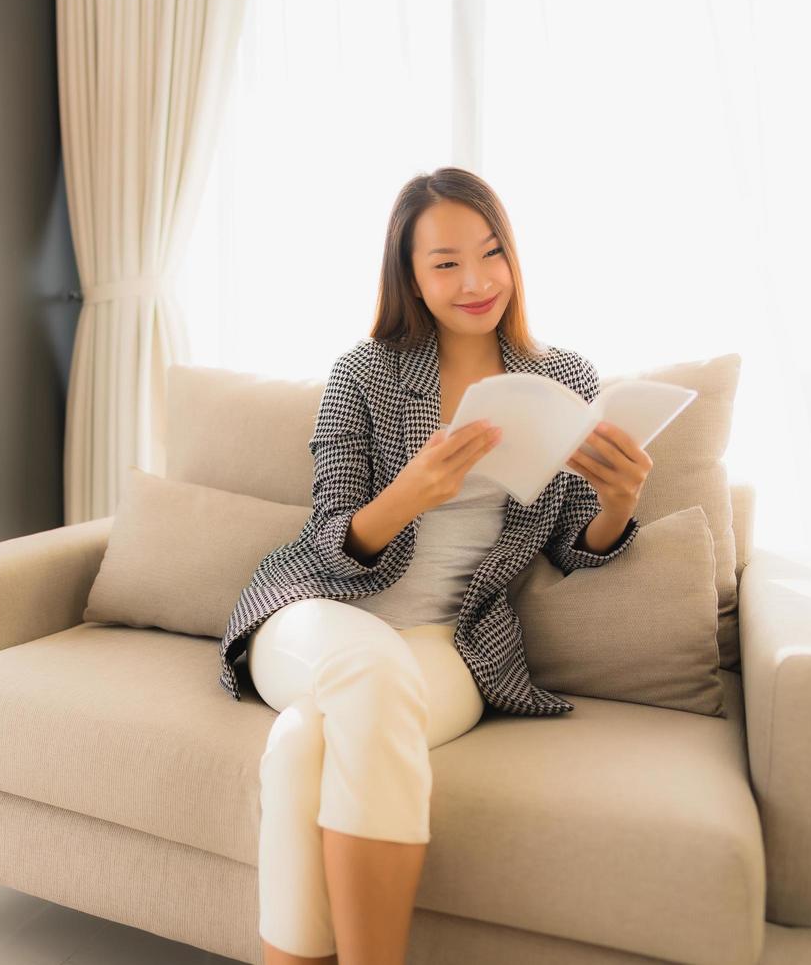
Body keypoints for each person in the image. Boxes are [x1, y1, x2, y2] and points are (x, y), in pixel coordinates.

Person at [244, 168, 654, 965]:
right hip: (317, 617)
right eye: (445, 263)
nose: (476, 281)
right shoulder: (364, 374)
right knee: (366, 668)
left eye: (492, 253)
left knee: (302, 747)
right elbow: (329, 538)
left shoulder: (564, 379)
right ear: (411, 278)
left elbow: (572, 546)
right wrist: (407, 496)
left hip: (448, 643)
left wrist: (615, 503)